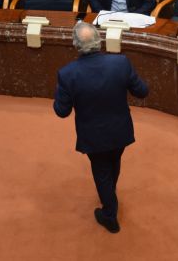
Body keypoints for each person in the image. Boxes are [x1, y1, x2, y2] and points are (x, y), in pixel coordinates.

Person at [53, 22, 149, 233]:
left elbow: (61, 111)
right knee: (114, 160)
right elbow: (142, 91)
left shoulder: (67, 74)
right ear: (99, 40)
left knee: (102, 170)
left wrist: (59, 90)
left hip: (94, 137)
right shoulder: (121, 63)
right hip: (120, 130)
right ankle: (109, 195)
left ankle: (109, 214)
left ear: (76, 45)